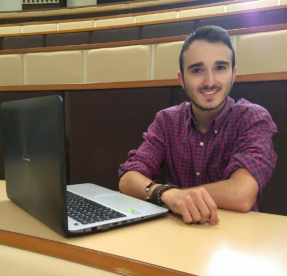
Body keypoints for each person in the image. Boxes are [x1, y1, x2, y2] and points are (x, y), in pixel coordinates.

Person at [118, 26, 277, 225]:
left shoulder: (252, 118)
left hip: (236, 241)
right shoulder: (166, 121)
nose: (209, 82)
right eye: (197, 70)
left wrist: (173, 195)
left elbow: (241, 194)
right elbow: (128, 178)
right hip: (177, 234)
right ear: (181, 79)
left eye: (220, 67)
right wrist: (169, 196)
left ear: (233, 74)